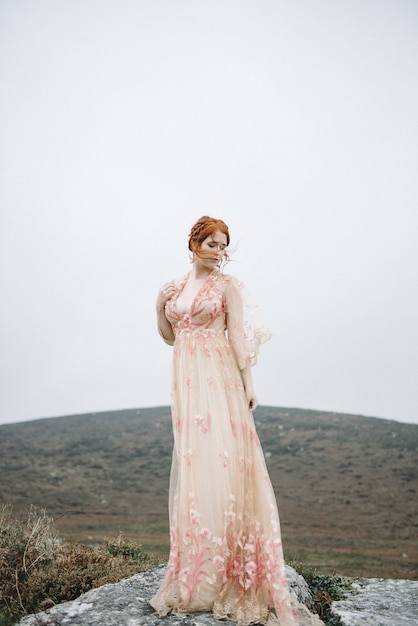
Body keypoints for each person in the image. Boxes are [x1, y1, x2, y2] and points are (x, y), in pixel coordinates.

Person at [150, 216, 322, 626]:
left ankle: (230, 572)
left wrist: (249, 384)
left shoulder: (228, 287)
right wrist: (158, 305)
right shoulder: (176, 287)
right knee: (196, 465)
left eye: (223, 245)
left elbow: (238, 337)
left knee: (223, 462)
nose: (218, 251)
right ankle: (198, 576)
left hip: (219, 377)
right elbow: (170, 336)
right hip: (187, 381)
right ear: (193, 244)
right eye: (211, 243)